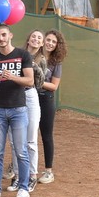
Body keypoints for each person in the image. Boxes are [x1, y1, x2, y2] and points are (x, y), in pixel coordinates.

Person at [0, 24, 35, 197]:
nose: (1, 39)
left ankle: (24, 186)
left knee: (20, 150)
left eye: (4, 35)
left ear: (10, 35)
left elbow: (30, 81)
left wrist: (11, 76)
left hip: (18, 109)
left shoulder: (23, 55)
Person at [19, 30, 47, 192]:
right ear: (28, 40)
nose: (36, 39)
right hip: (16, 97)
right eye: (33, 36)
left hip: (30, 95)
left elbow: (40, 82)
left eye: (39, 38)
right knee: (16, 140)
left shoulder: (41, 59)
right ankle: (18, 174)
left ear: (42, 44)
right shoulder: (19, 54)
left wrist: (33, 65)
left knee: (31, 139)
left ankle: (32, 175)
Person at [37, 29, 66, 185]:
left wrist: (37, 83)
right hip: (30, 98)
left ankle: (48, 171)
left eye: (53, 42)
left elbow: (54, 86)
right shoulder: (33, 57)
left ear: (57, 45)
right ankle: (17, 167)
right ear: (43, 41)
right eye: (48, 40)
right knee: (25, 135)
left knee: (46, 136)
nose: (50, 43)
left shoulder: (56, 63)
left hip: (46, 100)